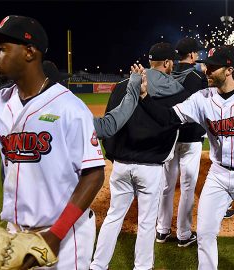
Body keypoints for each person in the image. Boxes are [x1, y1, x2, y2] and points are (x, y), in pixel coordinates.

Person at [0, 15, 106, 269]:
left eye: (1, 48)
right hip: (17, 234)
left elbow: (93, 175)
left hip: (64, 234)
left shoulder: (69, 108)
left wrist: (54, 237)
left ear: (29, 52)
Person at [138, 45, 234, 270]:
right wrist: (145, 98)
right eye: (207, 66)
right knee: (204, 233)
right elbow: (168, 118)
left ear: (228, 70)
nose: (206, 71)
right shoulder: (202, 98)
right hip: (218, 175)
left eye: (212, 68)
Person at [90, 42, 188, 270]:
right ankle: (142, 267)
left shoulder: (124, 84)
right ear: (167, 62)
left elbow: (110, 123)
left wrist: (114, 156)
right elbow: (173, 126)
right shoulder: (176, 90)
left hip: (122, 165)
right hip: (152, 167)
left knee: (114, 217)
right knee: (146, 222)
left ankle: (97, 265)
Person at [155, 37, 207, 247]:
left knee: (167, 185)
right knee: (187, 186)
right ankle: (184, 234)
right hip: (191, 136)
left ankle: (162, 230)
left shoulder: (167, 74)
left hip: (169, 134)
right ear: (193, 55)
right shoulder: (197, 75)